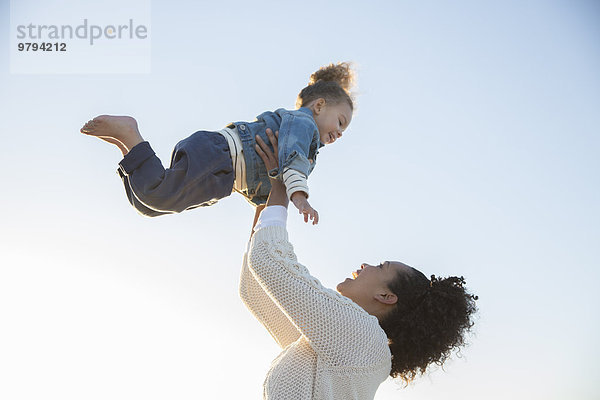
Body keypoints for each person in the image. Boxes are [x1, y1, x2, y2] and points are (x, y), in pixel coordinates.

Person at [241, 130, 478, 399]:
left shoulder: (361, 338)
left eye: (380, 266)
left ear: (387, 296)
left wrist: (282, 183)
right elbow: (257, 289)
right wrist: (265, 198)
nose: (365, 265)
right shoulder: (346, 344)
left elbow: (268, 262)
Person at [80, 62, 355, 224]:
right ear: (319, 105)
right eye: (341, 122)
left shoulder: (306, 145)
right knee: (158, 195)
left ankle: (127, 147)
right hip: (221, 157)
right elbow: (292, 158)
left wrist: (261, 235)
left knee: (148, 206)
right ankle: (130, 134)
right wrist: (301, 198)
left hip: (223, 173)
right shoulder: (303, 123)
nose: (340, 133)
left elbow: (269, 191)